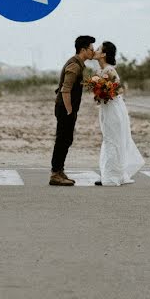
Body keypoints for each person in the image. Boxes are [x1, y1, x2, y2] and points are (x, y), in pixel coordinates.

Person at [91, 41, 146, 186]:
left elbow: (119, 90)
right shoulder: (98, 72)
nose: (95, 51)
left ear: (103, 54)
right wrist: (99, 94)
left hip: (114, 109)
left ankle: (112, 176)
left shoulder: (110, 70)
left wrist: (105, 92)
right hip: (105, 108)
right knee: (108, 139)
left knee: (113, 140)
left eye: (98, 49)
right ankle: (109, 173)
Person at [50, 35, 96, 186]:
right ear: (83, 49)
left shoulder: (79, 64)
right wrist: (69, 110)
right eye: (91, 49)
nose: (93, 51)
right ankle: (55, 173)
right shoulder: (74, 66)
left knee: (66, 139)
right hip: (65, 108)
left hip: (67, 108)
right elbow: (65, 90)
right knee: (63, 139)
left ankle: (59, 170)